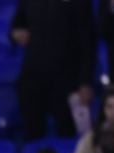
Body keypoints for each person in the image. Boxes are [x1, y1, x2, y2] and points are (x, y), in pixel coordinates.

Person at [11, 0, 95, 141]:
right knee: (33, 133)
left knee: (67, 133)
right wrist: (16, 33)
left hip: (66, 78)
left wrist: (85, 81)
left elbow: (88, 41)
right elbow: (17, 25)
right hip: (33, 75)